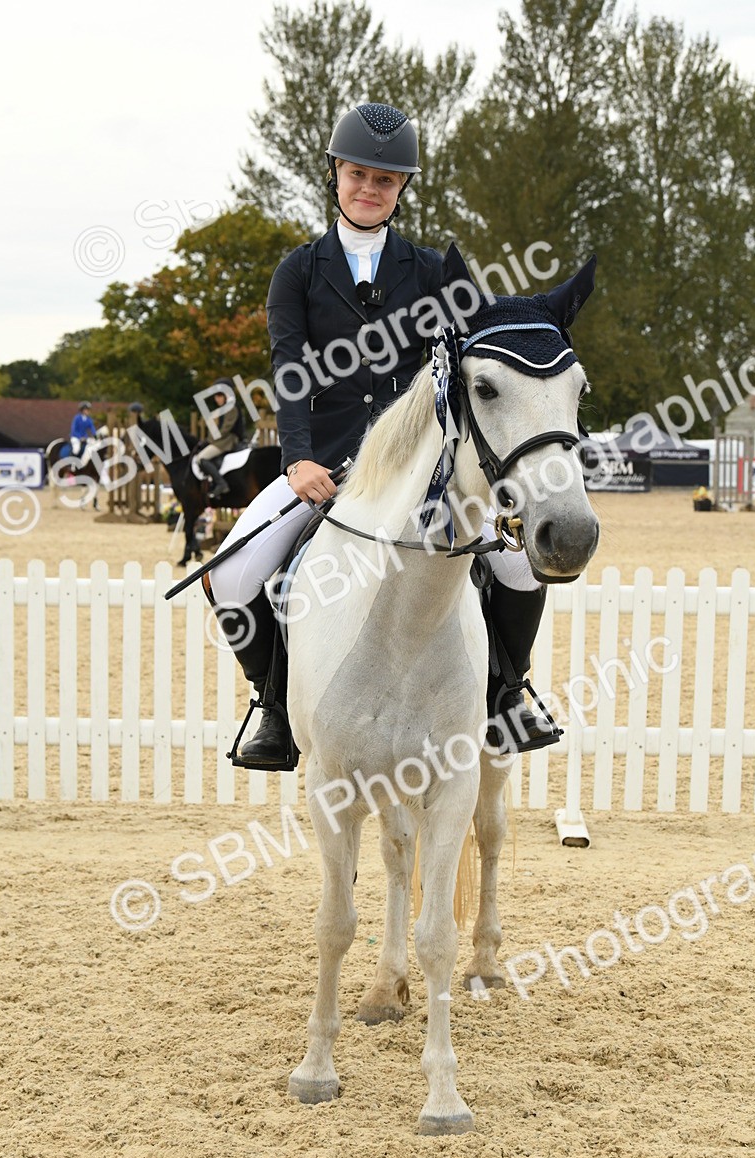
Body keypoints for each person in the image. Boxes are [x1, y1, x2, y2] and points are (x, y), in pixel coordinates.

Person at [208, 102, 557, 769]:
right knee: (230, 574)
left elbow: (466, 364)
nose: (369, 189)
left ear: (401, 190)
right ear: (335, 173)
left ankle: (510, 693)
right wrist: (299, 459)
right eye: (358, 175)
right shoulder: (298, 272)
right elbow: (288, 370)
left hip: (421, 464)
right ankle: (273, 707)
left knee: (517, 565)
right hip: (328, 463)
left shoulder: (433, 272)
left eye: (385, 181)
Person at [193, 378, 246, 500]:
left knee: (201, 458)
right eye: (215, 395)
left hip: (228, 440)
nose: (216, 398)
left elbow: (225, 429)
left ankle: (221, 484)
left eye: (218, 395)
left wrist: (208, 441)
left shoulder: (231, 407)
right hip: (223, 439)